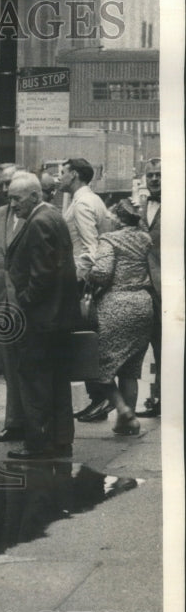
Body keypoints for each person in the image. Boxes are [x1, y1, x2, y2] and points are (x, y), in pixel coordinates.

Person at [4, 173, 80, 459]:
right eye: (10, 198)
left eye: (16, 198)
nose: (12, 204)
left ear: (35, 196)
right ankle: (61, 440)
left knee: (35, 380)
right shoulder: (53, 216)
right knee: (58, 381)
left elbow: (42, 274)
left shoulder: (37, 223)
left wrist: (25, 300)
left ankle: (38, 442)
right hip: (59, 318)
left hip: (40, 319)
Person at [85, 199, 153, 436]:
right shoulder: (145, 238)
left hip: (117, 306)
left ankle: (123, 409)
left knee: (100, 366)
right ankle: (128, 424)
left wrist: (86, 270)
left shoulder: (110, 240)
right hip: (143, 304)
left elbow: (103, 273)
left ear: (117, 219)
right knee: (130, 369)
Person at [59, 157, 116, 423]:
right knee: (88, 339)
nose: (60, 177)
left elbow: (90, 249)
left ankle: (102, 396)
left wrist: (78, 280)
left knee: (83, 340)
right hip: (86, 282)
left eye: (63, 172)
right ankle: (99, 398)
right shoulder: (90, 199)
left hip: (82, 283)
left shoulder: (82, 204)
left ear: (74, 175)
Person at [0, 165, 26, 443]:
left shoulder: (39, 214)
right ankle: (13, 423)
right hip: (1, 304)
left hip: (30, 304)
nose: (5, 191)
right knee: (10, 367)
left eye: (10, 184)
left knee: (32, 367)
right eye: (1, 185)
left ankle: (37, 423)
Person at [138, 157, 161, 417]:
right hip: (145, 287)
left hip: (168, 288)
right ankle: (155, 397)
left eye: (159, 175)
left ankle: (162, 398)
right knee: (153, 345)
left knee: (165, 346)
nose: (154, 179)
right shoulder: (143, 206)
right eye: (151, 175)